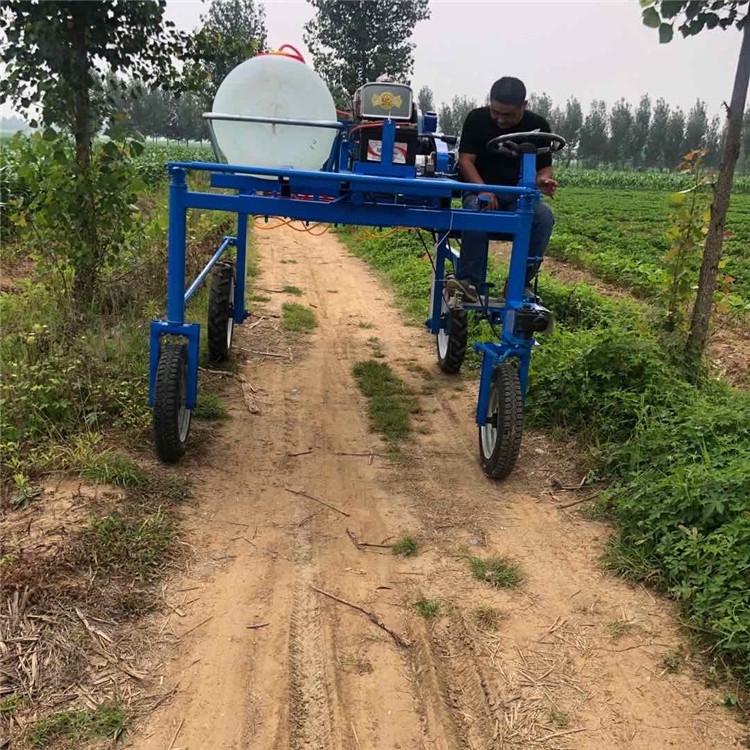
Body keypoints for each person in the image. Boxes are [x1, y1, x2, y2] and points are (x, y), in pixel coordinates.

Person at [451, 76, 557, 301]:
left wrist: (543, 181)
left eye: (507, 115)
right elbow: (466, 161)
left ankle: (520, 282)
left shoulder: (538, 127)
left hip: (519, 194)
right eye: (495, 112)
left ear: (524, 106)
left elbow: (545, 167)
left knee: (543, 217)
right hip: (479, 188)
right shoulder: (476, 119)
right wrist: (482, 190)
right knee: (477, 210)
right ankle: (470, 282)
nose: (499, 119)